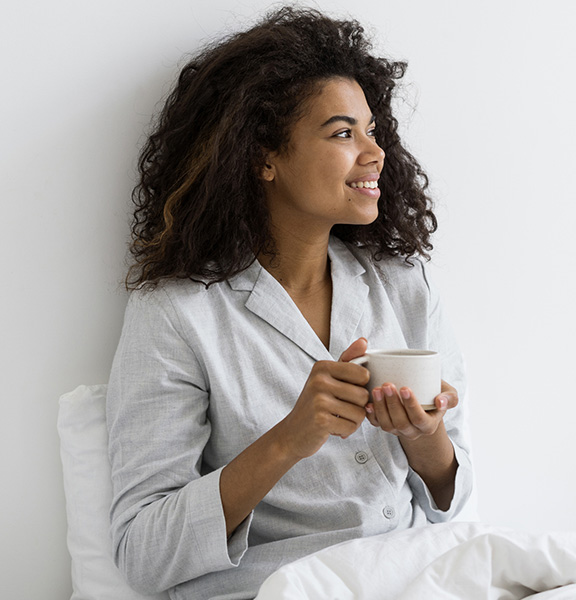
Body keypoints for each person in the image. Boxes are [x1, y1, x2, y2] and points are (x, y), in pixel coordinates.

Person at [106, 6, 473, 600]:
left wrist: (424, 436)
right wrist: (289, 439)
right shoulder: (177, 313)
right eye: (342, 132)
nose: (375, 152)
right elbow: (141, 552)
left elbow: (453, 498)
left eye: (371, 130)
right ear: (264, 157)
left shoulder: (404, 285)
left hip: (410, 576)